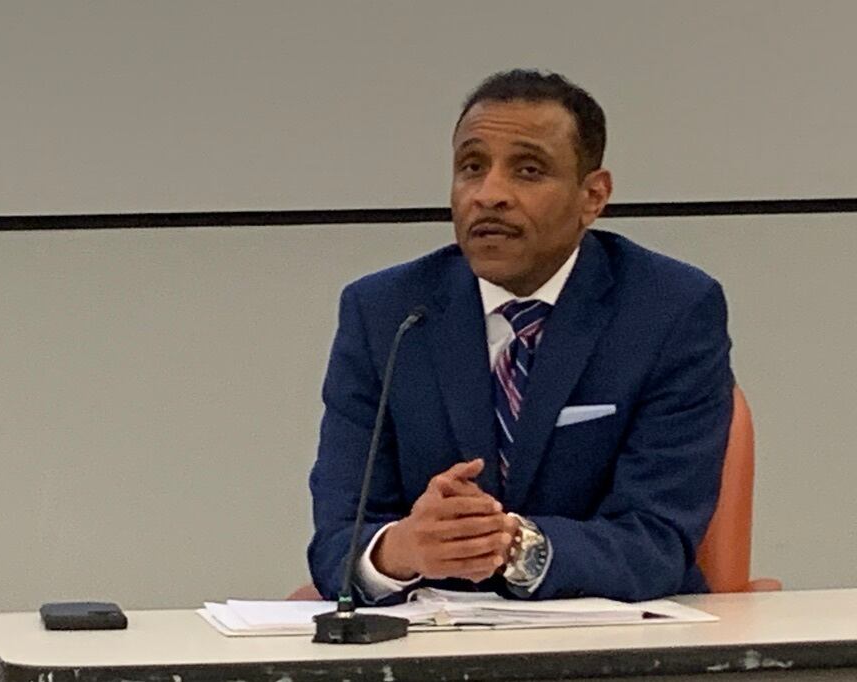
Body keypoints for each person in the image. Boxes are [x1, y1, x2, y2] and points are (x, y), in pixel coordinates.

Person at [307, 69, 734, 605]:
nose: (490, 195)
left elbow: (658, 541)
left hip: (605, 640)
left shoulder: (669, 311)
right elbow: (337, 538)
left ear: (593, 196)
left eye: (528, 171)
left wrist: (515, 544)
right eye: (471, 168)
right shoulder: (386, 313)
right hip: (427, 643)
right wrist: (401, 550)